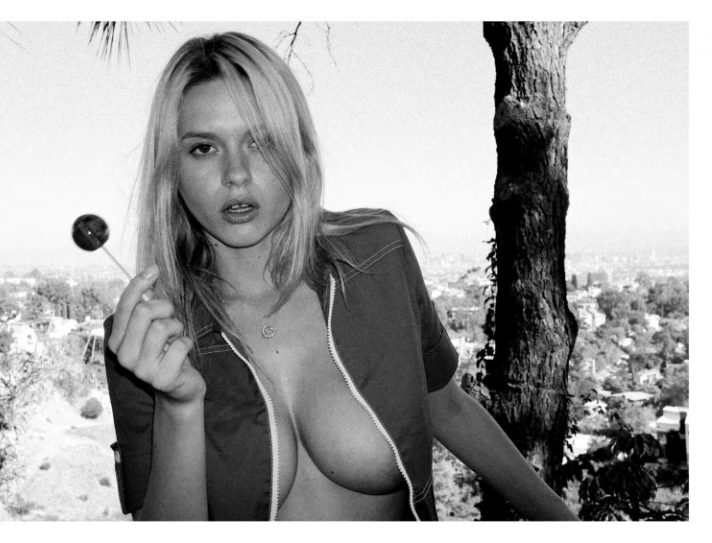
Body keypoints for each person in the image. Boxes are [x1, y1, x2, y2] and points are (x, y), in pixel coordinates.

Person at [104, 31, 578, 521]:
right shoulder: (148, 338)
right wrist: (179, 406)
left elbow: (444, 404)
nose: (236, 174)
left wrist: (562, 520)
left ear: (302, 150)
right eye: (204, 148)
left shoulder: (378, 254)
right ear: (171, 171)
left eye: (261, 141)